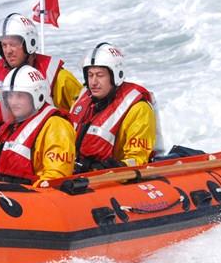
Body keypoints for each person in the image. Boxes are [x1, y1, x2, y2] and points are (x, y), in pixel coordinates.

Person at [0, 13, 83, 139]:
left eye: (13, 44)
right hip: (0, 156)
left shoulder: (54, 74)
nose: (8, 51)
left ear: (30, 42)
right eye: (4, 45)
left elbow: (84, 112)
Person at [69, 42, 163, 172]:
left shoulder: (138, 109)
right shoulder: (84, 99)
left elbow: (138, 159)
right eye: (90, 75)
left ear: (115, 76)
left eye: (100, 75)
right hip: (78, 172)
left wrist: (114, 167)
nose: (93, 82)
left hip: (113, 177)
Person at [0, 65, 75, 187]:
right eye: (10, 96)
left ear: (38, 96)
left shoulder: (56, 126)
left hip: (31, 200)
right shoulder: (8, 126)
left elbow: (55, 177)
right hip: (2, 196)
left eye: (20, 96)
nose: (13, 102)